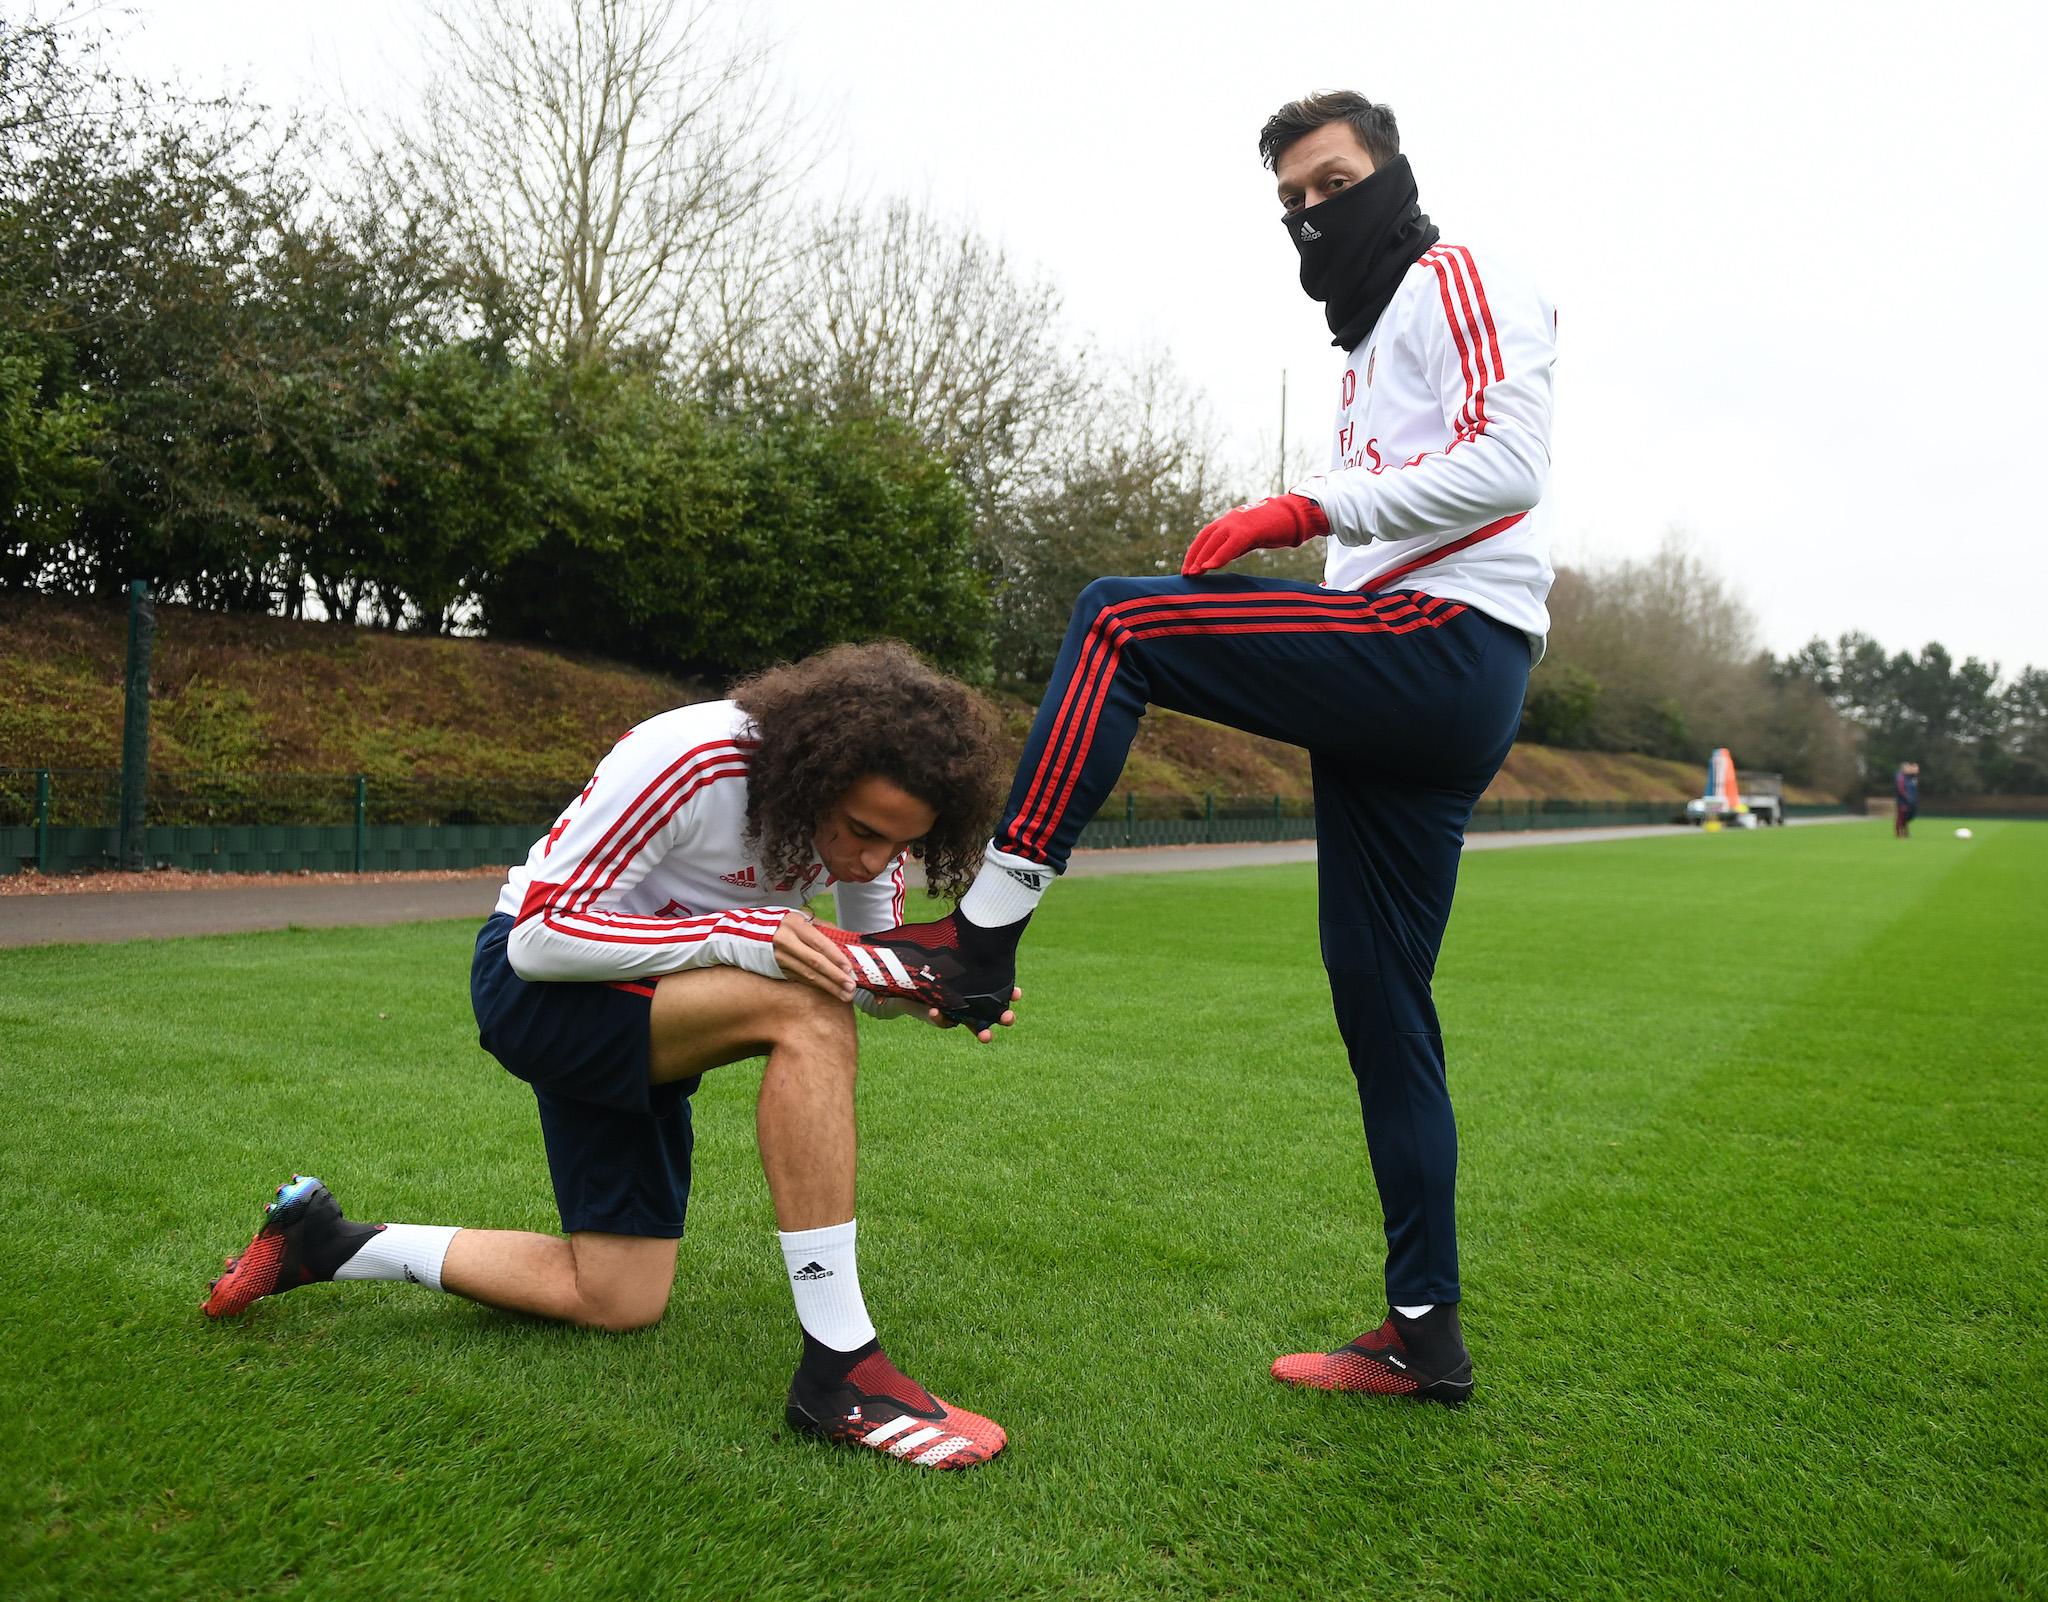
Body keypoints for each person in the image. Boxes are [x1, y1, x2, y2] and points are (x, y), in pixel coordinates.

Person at [862, 92, 1557, 1406]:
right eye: (1293, 201)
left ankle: (984, 936)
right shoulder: (1366, 347)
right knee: (1380, 1000)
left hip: (1444, 642)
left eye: (1335, 182)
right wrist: (1332, 522)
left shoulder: (1456, 273)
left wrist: (1303, 505)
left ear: (1392, 173)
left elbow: (1512, 461)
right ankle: (1425, 1331)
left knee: (1119, 621)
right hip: (1411, 666)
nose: (1314, 211)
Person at [203, 642, 1019, 1471]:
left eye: (902, 845)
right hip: (542, 992)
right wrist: (737, 935)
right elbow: (539, 938)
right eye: (861, 832)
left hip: (649, 1010)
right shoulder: (695, 757)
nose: (873, 860)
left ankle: (329, 1243)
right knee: (803, 1009)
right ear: (815, 773)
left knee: (617, 1295)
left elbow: (864, 976)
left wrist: (933, 987)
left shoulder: (873, 834)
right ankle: (844, 1370)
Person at [1894, 760, 1919, 838]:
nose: (1909, 769)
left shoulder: (1910, 777)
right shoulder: (1900, 776)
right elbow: (1901, 789)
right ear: (1903, 768)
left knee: (1908, 816)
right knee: (1901, 816)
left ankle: (1905, 832)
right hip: (1902, 801)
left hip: (1911, 801)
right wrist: (1907, 797)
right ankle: (1899, 833)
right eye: (1907, 767)